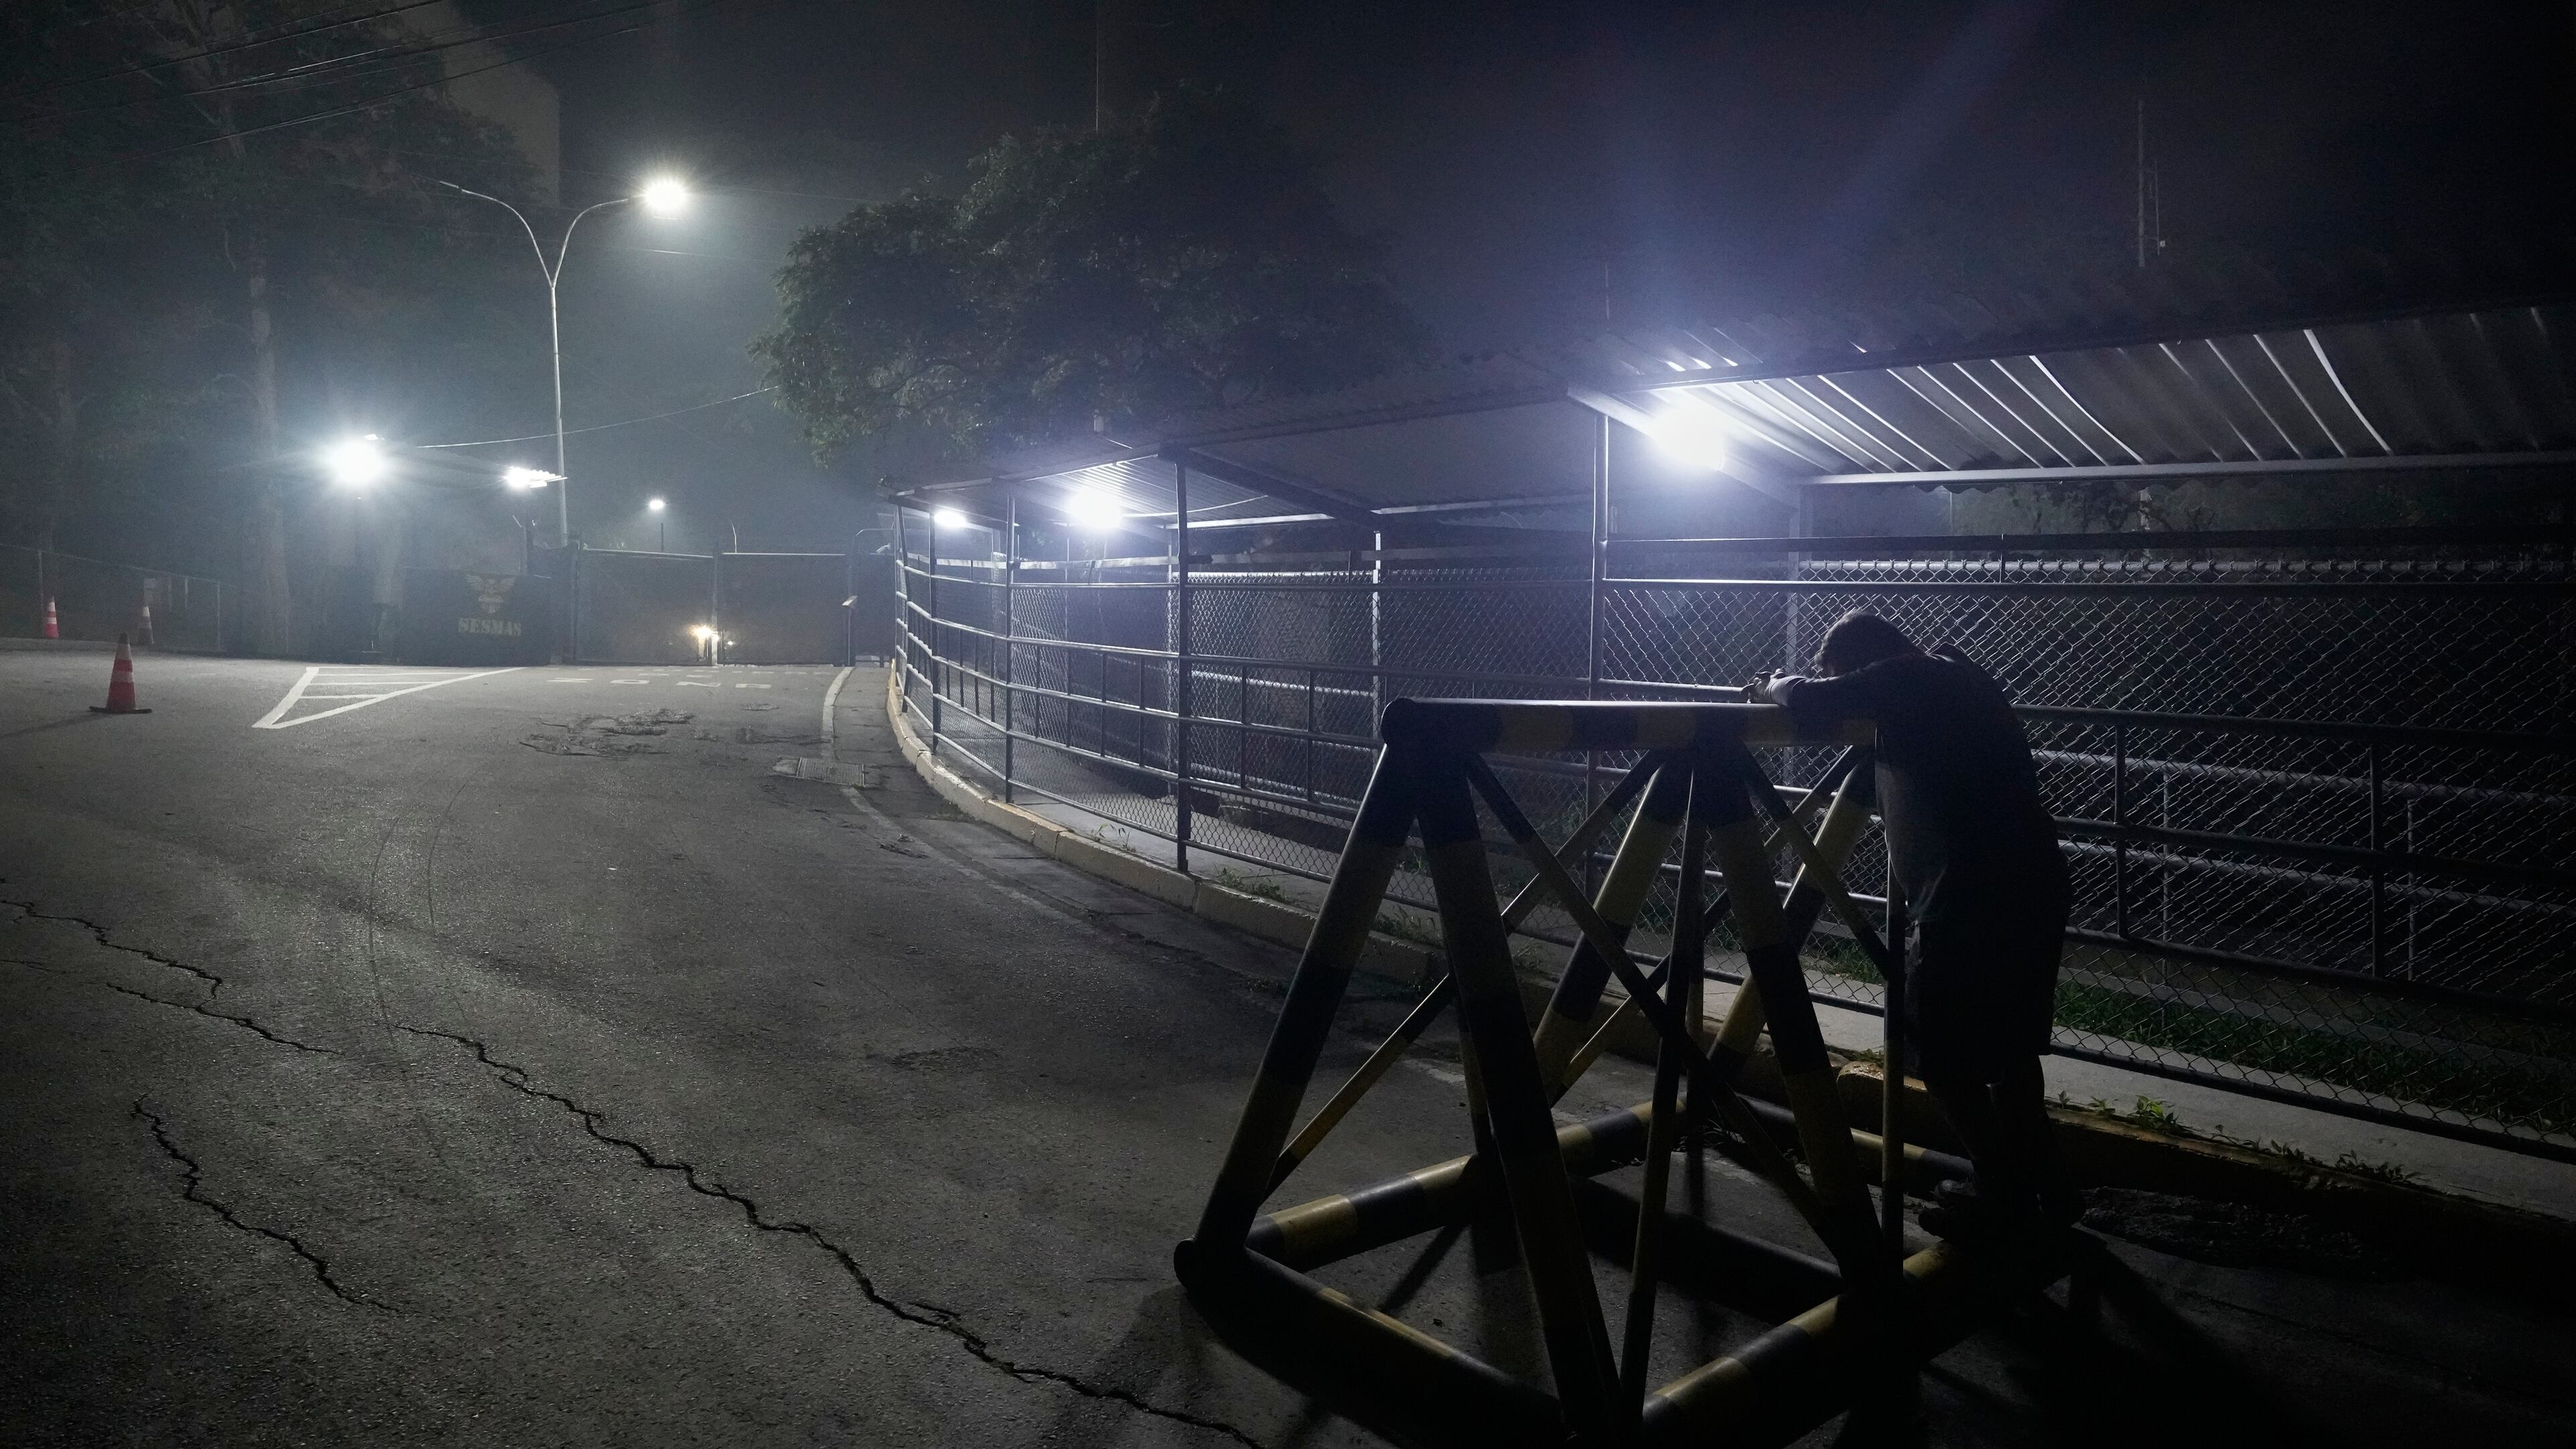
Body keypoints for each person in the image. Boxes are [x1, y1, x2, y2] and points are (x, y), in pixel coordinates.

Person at [1757, 610, 2078, 1240]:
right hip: (2029, 883)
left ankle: (1999, 1190)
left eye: (1844, 670)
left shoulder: (1908, 678)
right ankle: (2049, 1185)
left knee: (1940, 1053)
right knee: (2011, 1050)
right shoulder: (1958, 675)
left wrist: (1775, 683)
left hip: (1966, 895)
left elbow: (1814, 702)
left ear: (1863, 663)